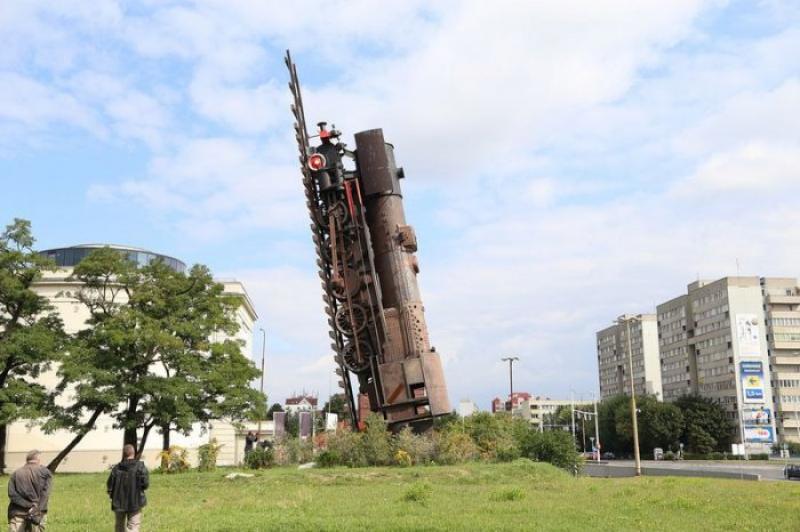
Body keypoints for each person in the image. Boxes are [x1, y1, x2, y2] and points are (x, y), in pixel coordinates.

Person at [107, 444, 149, 532]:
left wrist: (111, 496)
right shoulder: (140, 467)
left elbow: (110, 486)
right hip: (136, 501)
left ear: (123, 454)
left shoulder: (116, 468)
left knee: (119, 526)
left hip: (118, 501)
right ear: (133, 453)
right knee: (134, 526)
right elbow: (145, 484)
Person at [7, 450, 52, 532]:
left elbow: (12, 495)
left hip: (17, 513)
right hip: (37, 515)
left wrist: (29, 505)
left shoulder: (15, 473)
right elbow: (45, 495)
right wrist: (35, 508)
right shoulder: (45, 472)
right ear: (38, 460)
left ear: (27, 460)